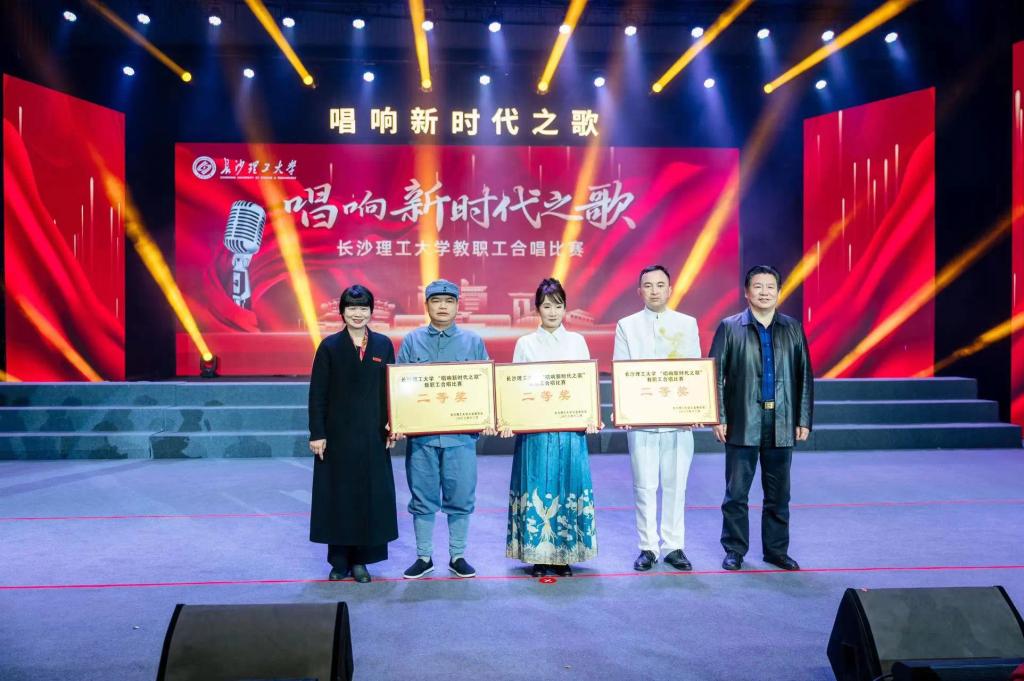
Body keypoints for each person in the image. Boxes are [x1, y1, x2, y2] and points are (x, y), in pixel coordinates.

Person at [709, 265, 813, 572]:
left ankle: (776, 551)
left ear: (779, 292)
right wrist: (718, 417)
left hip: (781, 421)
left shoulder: (792, 328)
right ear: (746, 292)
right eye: (758, 286)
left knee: (779, 494)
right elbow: (714, 376)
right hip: (742, 420)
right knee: (736, 494)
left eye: (770, 287)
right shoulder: (730, 327)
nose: (764, 292)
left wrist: (803, 418)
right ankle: (734, 550)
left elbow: (804, 375)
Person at [394, 279, 493, 579]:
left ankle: (457, 556)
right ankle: (424, 557)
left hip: (460, 439)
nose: (442, 307)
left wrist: (489, 416)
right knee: (422, 497)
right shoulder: (412, 341)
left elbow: (484, 386)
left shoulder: (472, 342)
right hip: (422, 439)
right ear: (426, 305)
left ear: (457, 306)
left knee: (460, 498)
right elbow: (399, 387)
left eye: (449, 301)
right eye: (436, 301)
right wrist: (397, 420)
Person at [501, 278, 600, 578]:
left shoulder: (577, 341)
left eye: (558, 306)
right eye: (546, 306)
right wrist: (510, 418)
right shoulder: (525, 344)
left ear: (565, 308)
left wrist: (591, 414)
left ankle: (564, 555)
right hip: (536, 432)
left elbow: (585, 385)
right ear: (537, 309)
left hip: (569, 431)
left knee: (567, 484)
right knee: (537, 486)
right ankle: (537, 555)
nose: (553, 312)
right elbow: (516, 387)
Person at [613, 265, 702, 572]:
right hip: (641, 420)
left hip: (678, 420)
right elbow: (621, 370)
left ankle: (674, 546)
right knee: (644, 486)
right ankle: (648, 547)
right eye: (648, 285)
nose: (654, 290)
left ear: (670, 289)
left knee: (677, 486)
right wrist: (624, 409)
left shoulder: (687, 324)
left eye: (660, 285)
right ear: (639, 291)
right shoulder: (626, 325)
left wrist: (696, 408)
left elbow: (694, 370)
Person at [308, 285, 398, 583]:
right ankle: (339, 561)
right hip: (337, 437)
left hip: (373, 435)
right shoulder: (330, 346)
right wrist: (317, 433)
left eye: (363, 308)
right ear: (342, 312)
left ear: (371, 311)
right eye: (351, 308)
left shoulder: (383, 345)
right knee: (339, 497)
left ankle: (362, 561)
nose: (357, 314)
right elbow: (318, 394)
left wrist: (394, 424)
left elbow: (391, 390)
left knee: (369, 497)